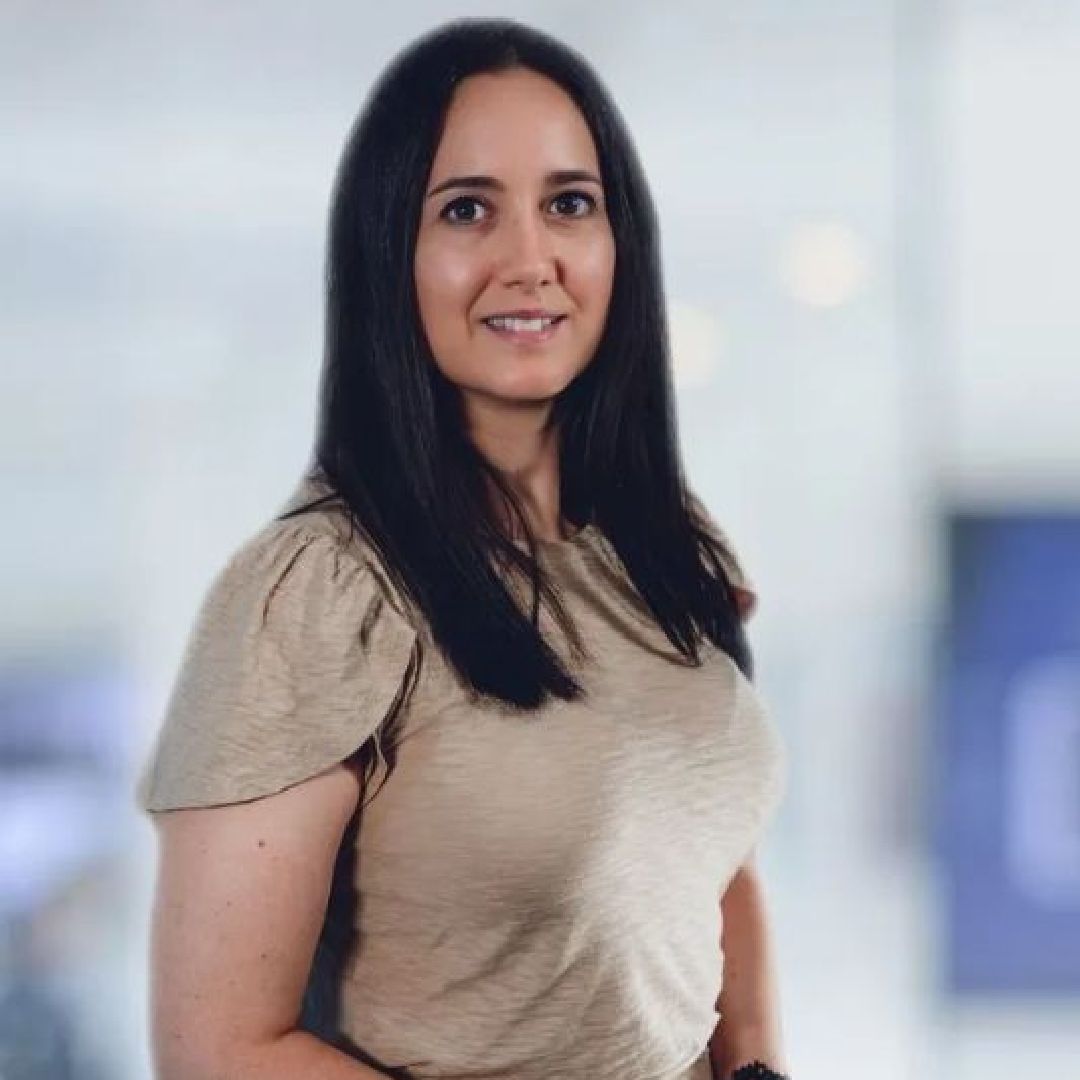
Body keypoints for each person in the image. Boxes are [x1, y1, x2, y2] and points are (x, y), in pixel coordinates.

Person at [134, 17, 790, 1080]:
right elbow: (219, 1054)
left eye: (569, 205)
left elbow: (710, 853)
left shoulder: (662, 546)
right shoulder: (318, 594)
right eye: (468, 210)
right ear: (390, 253)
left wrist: (756, 1064)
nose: (529, 260)